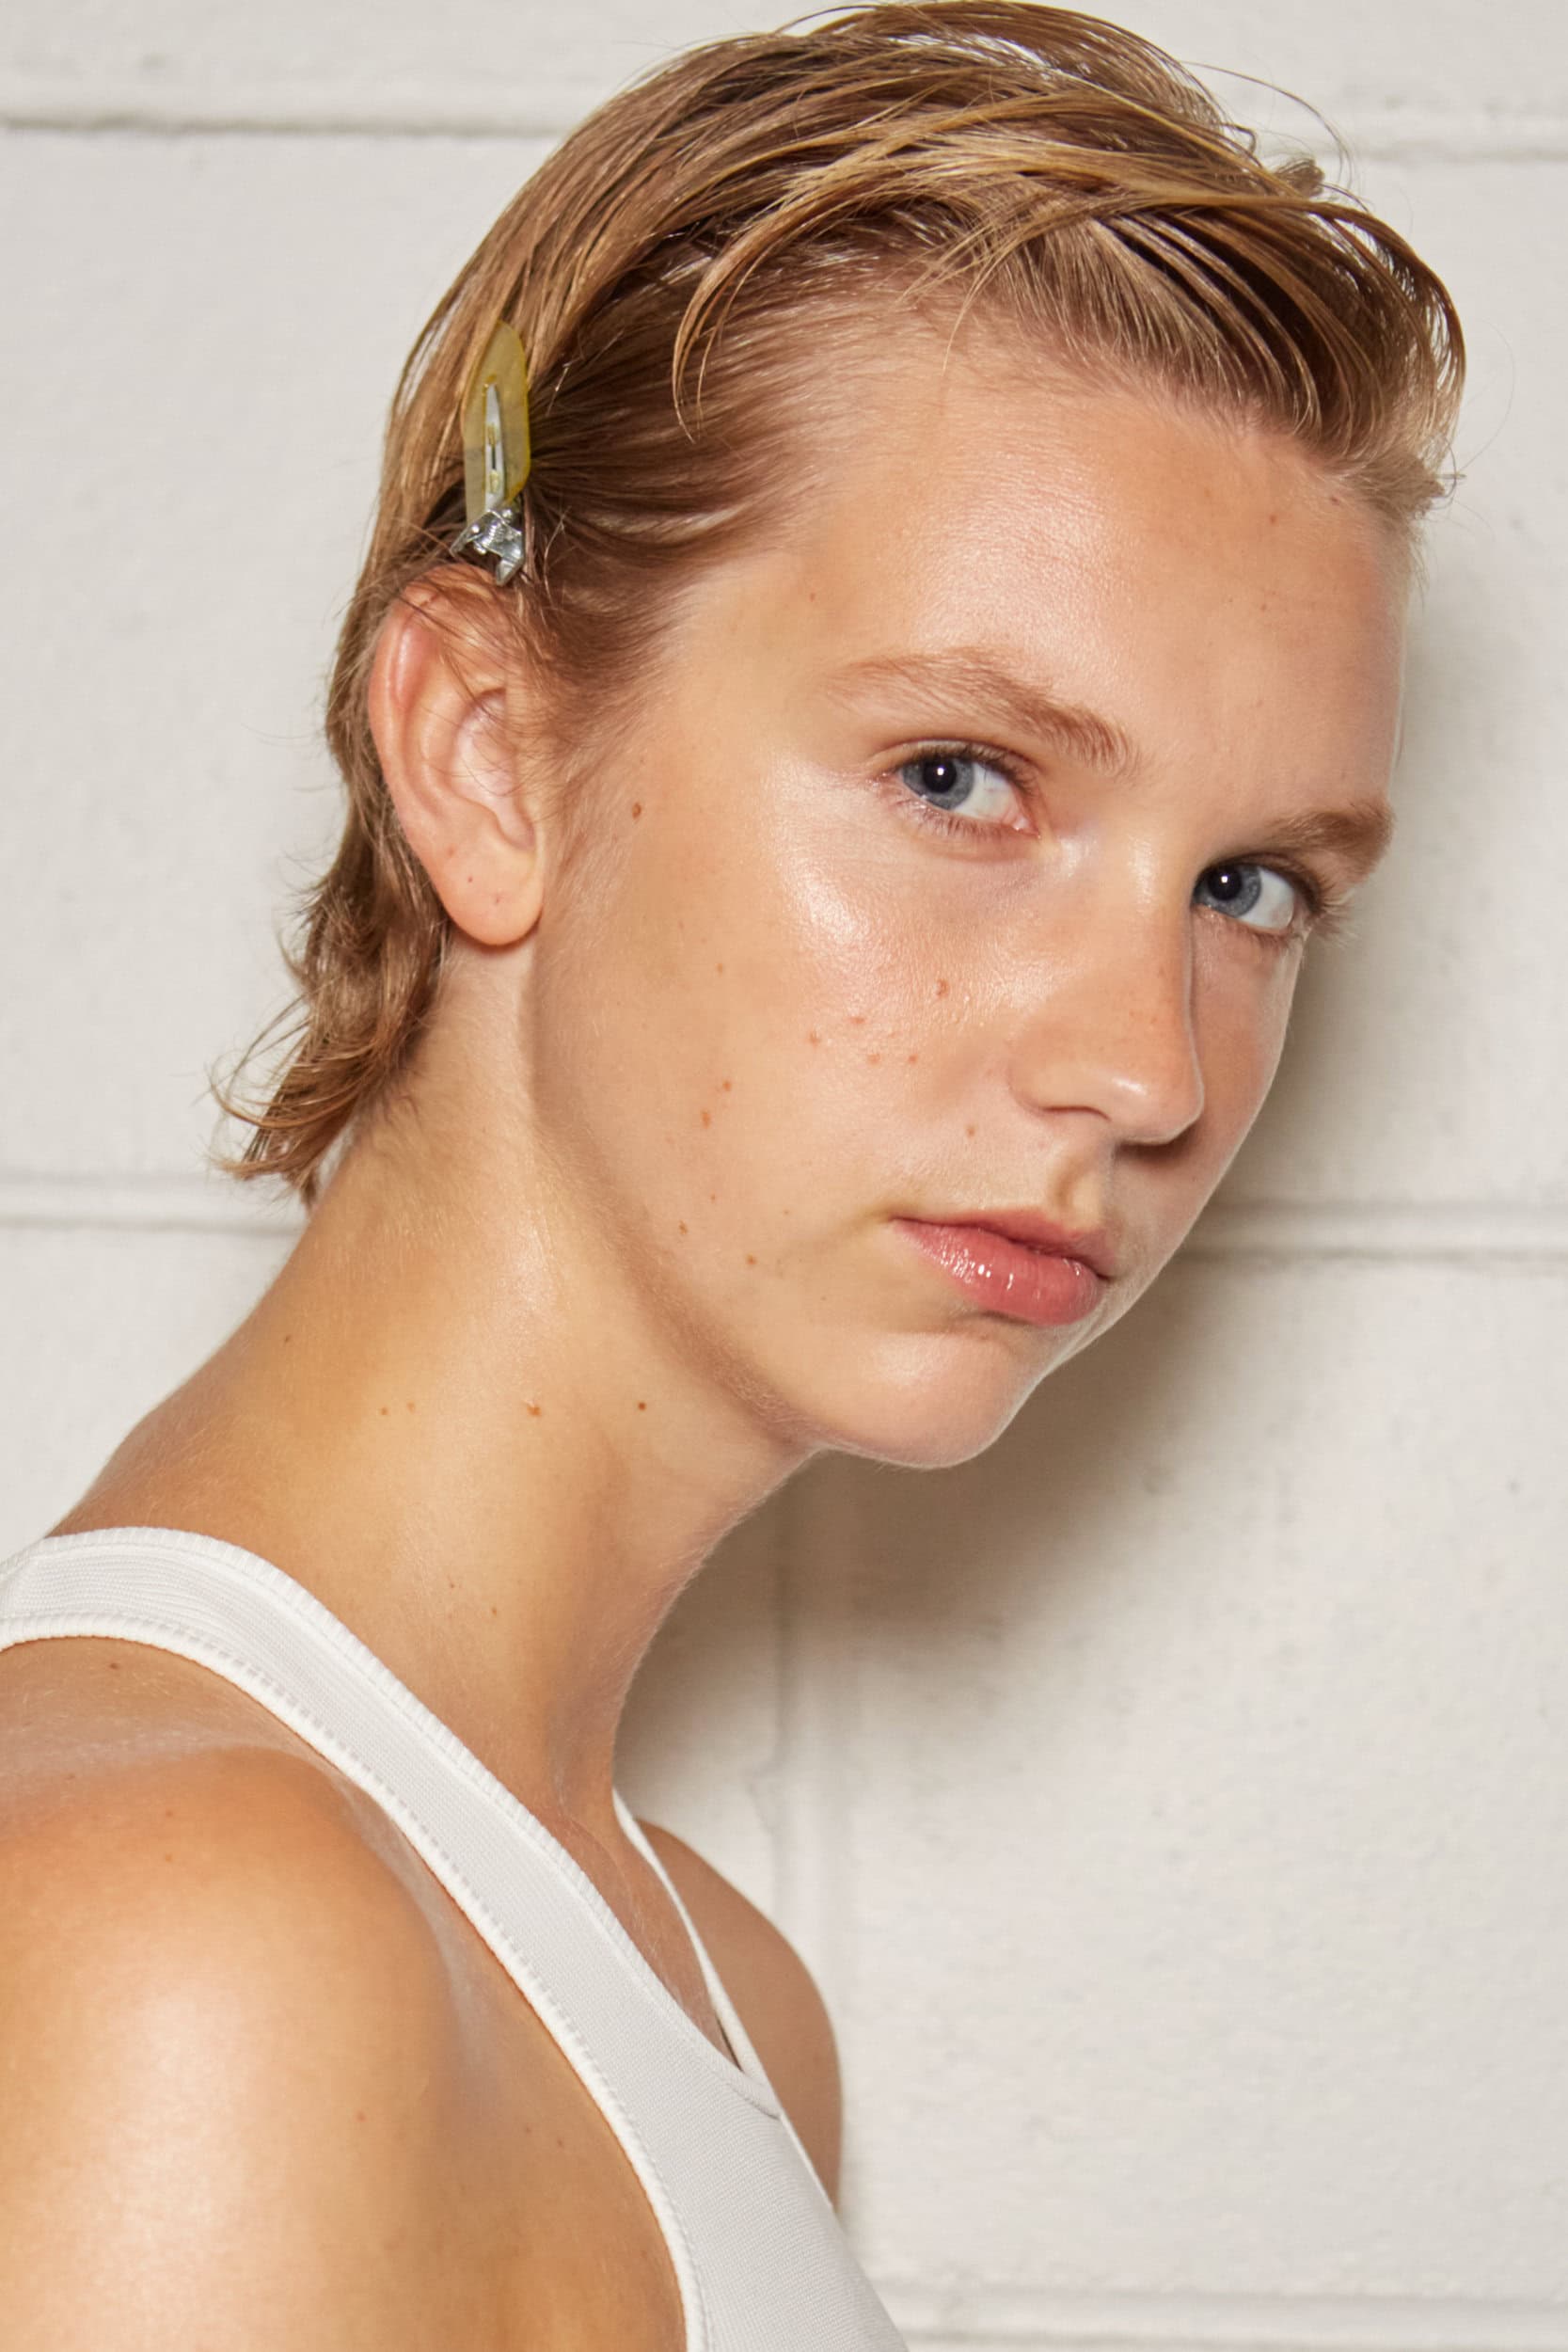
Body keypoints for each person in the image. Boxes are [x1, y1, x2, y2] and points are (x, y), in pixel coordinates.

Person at [0, 3, 1463, 2344]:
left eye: (1252, 884)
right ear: (484, 750)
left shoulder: (710, 1989)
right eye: (962, 779)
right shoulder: (186, 1938)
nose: (1149, 1061)